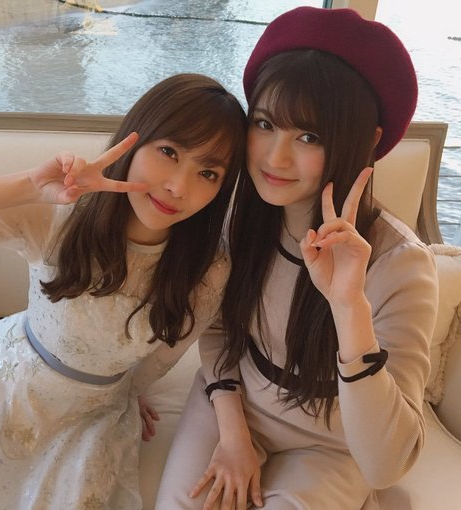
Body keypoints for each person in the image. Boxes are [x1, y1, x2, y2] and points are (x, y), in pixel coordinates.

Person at [0, 73, 247, 510]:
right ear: (134, 140)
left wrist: (127, 390)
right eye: (169, 152)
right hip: (9, 386)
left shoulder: (208, 270)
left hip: (97, 416)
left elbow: (161, 360)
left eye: (207, 172)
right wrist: (28, 185)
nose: (178, 187)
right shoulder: (58, 218)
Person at [156, 7, 438, 510]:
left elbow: (386, 464)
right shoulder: (240, 215)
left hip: (333, 444)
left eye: (309, 136)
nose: (275, 158)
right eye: (264, 124)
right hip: (234, 401)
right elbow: (217, 324)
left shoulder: (402, 266)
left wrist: (349, 307)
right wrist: (234, 434)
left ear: (367, 141)